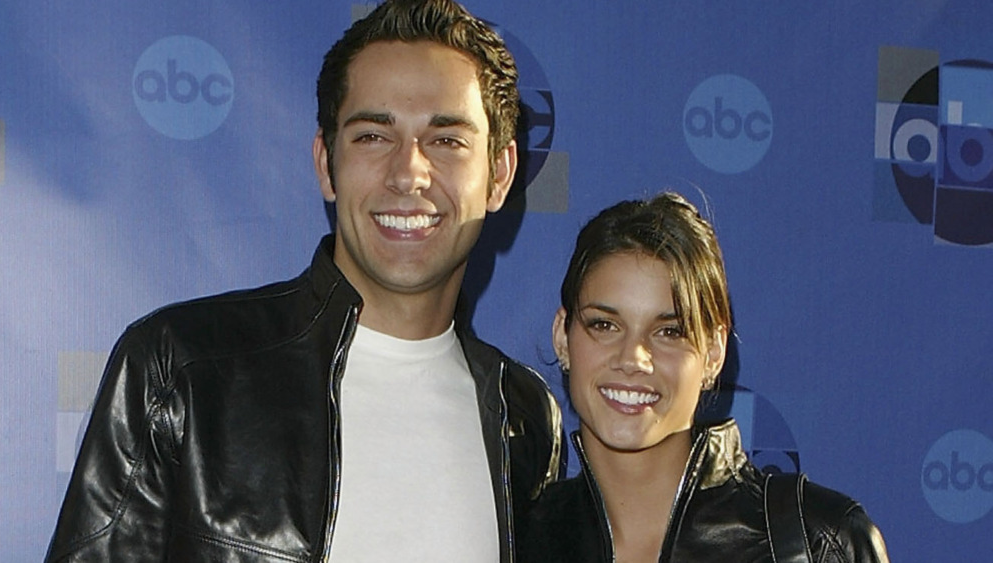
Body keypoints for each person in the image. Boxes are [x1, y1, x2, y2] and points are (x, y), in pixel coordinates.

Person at [45, 1, 565, 561]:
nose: (409, 172)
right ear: (326, 163)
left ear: (500, 174)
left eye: (446, 140)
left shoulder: (525, 416)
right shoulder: (183, 369)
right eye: (373, 136)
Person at [518, 192, 889, 563]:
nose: (633, 358)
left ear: (714, 353)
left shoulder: (818, 542)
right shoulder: (515, 541)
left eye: (669, 331)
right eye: (605, 325)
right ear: (562, 338)